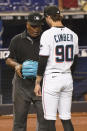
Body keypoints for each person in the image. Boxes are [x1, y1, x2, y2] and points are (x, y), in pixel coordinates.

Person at [6, 12, 56, 131]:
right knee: (19, 122)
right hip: (21, 85)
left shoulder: (47, 39)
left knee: (45, 122)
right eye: (33, 26)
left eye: (38, 26)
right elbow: (8, 59)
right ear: (27, 24)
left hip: (42, 85)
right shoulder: (17, 40)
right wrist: (17, 65)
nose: (36, 29)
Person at [34, 5, 79, 131]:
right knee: (66, 118)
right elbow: (75, 60)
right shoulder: (73, 35)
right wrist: (69, 73)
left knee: (50, 119)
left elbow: (42, 60)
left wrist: (37, 82)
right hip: (67, 77)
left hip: (52, 78)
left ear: (48, 17)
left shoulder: (47, 34)